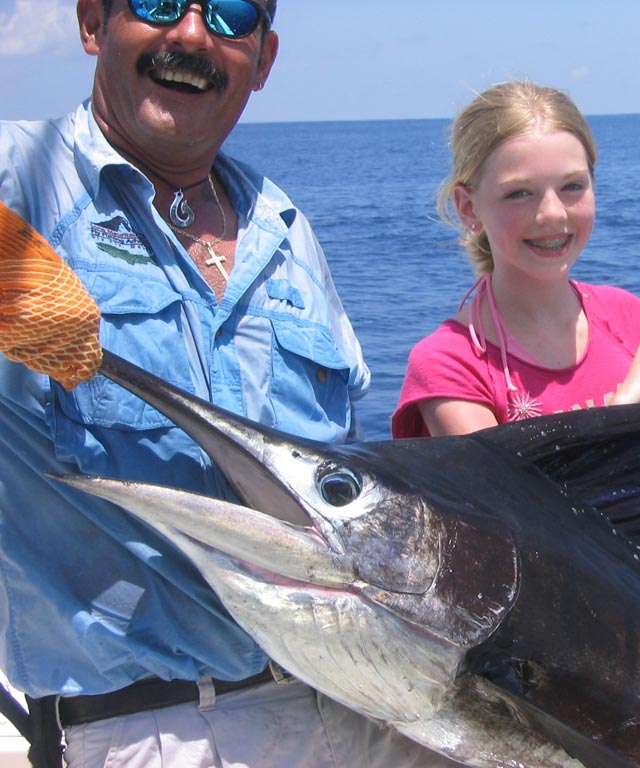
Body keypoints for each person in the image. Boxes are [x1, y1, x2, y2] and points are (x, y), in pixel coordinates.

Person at [0, 2, 461, 767]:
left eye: (230, 13)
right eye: (153, 3)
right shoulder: (18, 184)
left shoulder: (285, 230)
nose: (190, 35)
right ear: (91, 23)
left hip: (360, 704)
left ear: (265, 57)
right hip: (154, 729)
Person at [392, 80, 640, 467]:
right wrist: (629, 404)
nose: (552, 213)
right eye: (519, 193)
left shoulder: (630, 315)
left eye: (572, 187)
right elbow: (517, 515)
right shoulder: (449, 364)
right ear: (468, 208)